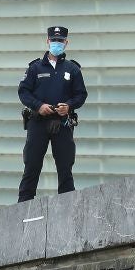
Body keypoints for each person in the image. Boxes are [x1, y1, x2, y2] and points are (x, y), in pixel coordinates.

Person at [17, 24, 88, 202]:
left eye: (60, 41)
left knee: (65, 169)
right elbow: (23, 92)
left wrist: (69, 106)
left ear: (66, 43)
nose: (57, 43)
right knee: (31, 167)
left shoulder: (72, 69)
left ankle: (68, 208)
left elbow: (81, 94)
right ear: (48, 41)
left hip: (62, 124)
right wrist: (38, 105)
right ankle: (23, 207)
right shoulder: (35, 68)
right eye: (54, 40)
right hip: (38, 122)